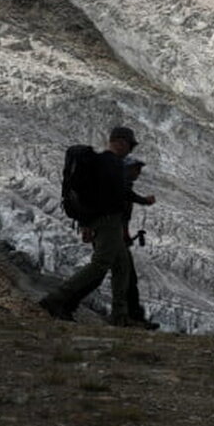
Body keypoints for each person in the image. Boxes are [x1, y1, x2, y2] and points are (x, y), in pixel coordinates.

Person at [39, 126, 145, 327]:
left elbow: (91, 194)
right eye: (130, 146)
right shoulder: (110, 163)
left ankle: (120, 316)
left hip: (107, 221)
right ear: (121, 142)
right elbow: (106, 195)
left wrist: (86, 221)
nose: (130, 151)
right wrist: (88, 222)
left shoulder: (104, 162)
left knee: (121, 266)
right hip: (107, 221)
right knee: (100, 265)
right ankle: (56, 299)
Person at [121, 156, 158, 329]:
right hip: (114, 239)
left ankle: (130, 316)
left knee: (126, 277)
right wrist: (144, 200)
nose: (138, 172)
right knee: (127, 277)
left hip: (117, 238)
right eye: (136, 169)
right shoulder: (121, 186)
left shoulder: (122, 186)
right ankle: (131, 316)